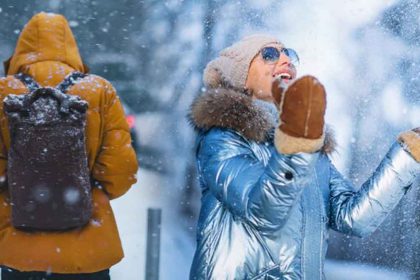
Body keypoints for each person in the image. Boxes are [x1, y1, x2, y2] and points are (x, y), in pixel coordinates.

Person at [189, 34, 420, 279]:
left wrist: (408, 154)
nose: (286, 59)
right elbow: (264, 212)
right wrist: (297, 144)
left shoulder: (311, 150)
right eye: (269, 54)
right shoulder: (222, 138)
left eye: (289, 53)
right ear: (241, 77)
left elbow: (354, 218)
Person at [0, 12, 138, 279]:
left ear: (22, 48)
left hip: (18, 250)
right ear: (71, 47)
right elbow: (121, 172)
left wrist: (22, 187)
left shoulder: (4, 92)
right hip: (87, 252)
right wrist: (82, 190)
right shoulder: (99, 90)